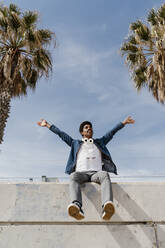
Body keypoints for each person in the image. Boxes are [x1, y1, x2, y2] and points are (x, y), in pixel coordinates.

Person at [37, 116, 135, 221]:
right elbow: (61, 134)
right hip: (81, 174)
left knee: (104, 174)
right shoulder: (75, 143)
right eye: (86, 127)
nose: (89, 129)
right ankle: (77, 206)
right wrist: (47, 125)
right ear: (82, 132)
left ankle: (106, 206)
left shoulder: (99, 142)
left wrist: (123, 123)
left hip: (95, 174)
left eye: (90, 127)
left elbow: (111, 133)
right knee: (73, 176)